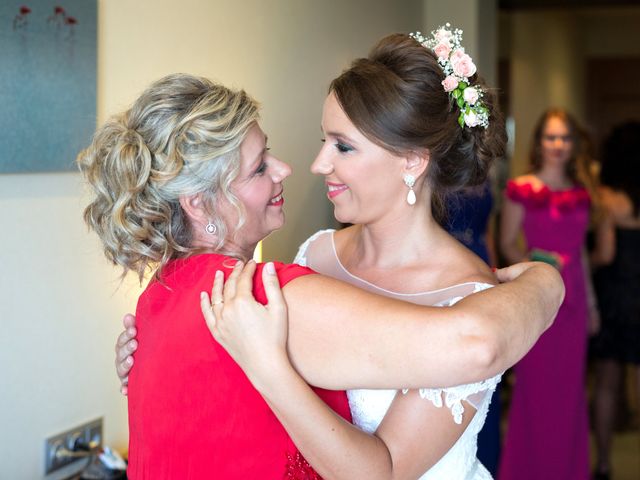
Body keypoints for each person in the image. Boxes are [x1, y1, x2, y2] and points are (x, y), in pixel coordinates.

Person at [113, 30, 561, 479]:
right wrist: (164, 361)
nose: (316, 164)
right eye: (324, 140)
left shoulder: (470, 297)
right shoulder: (317, 253)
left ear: (411, 161)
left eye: (342, 146)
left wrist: (547, 280)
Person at [498, 108, 595, 480]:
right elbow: (507, 244)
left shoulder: (581, 193)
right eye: (551, 137)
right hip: (538, 299)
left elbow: (583, 252)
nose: (558, 144)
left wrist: (592, 305)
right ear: (538, 142)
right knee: (535, 394)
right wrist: (536, 263)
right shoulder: (521, 188)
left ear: (574, 144)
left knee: (570, 398)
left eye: (565, 137)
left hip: (575, 305)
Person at [590, 121, 640, 480]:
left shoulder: (607, 199)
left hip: (613, 297)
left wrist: (580, 263)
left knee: (606, 384)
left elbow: (605, 254)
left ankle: (605, 461)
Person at [445, 180, 501, 476]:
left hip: (478, 258)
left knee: (486, 374)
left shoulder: (481, 171)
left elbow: (486, 229)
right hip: (445, 267)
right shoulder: (433, 160)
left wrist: (493, 277)